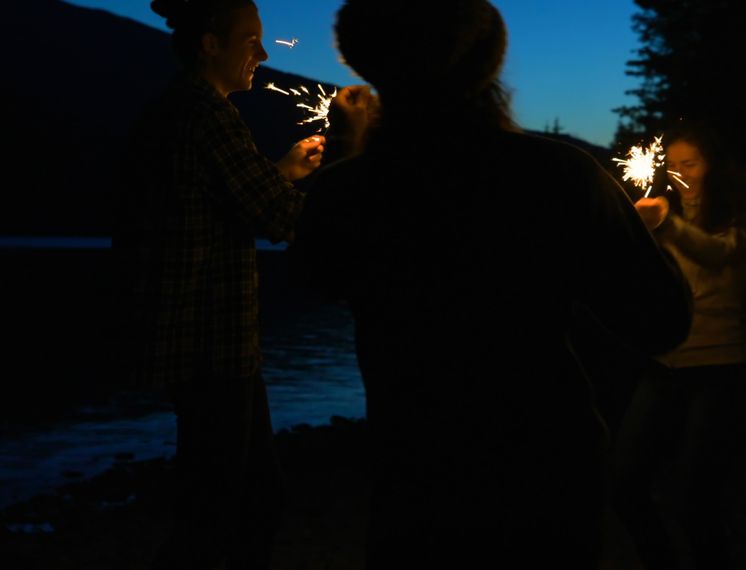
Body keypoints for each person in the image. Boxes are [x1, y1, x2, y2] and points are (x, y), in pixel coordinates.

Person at [288, 1, 692, 567]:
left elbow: (315, 278)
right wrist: (642, 235)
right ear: (487, 62)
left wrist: (355, 155)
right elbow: (662, 321)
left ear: (369, 63)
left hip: (415, 471)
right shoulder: (561, 175)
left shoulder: (346, 192)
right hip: (545, 467)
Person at [114, 1, 347, 567]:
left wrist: (285, 170)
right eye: (250, 41)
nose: (264, 55)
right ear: (210, 45)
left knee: (238, 493)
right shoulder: (206, 115)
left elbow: (226, 204)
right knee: (228, 504)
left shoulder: (185, 110)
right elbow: (280, 218)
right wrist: (346, 164)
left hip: (207, 341)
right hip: (210, 341)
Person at [614, 121, 746, 569]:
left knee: (694, 500)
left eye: (692, 163)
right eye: (675, 164)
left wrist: (668, 227)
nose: (683, 173)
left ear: (712, 165)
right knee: (622, 482)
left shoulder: (744, 205)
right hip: (665, 361)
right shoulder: (667, 213)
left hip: (718, 363)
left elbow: (721, 253)